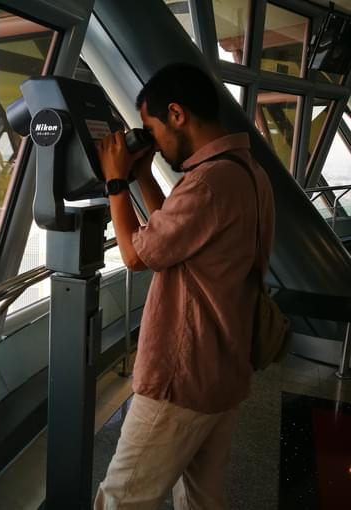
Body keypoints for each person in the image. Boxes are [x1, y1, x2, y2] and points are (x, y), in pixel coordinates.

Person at [93, 63, 275, 510]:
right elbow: (173, 235)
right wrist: (141, 176)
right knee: (203, 498)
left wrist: (116, 182)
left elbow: (138, 255)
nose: (152, 140)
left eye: (152, 128)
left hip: (182, 376)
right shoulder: (246, 172)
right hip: (225, 370)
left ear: (176, 114)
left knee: (122, 499)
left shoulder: (209, 183)